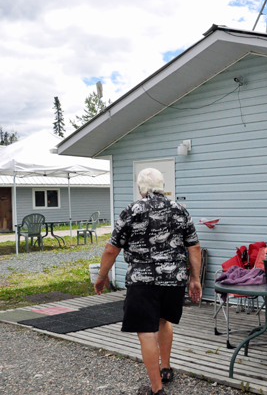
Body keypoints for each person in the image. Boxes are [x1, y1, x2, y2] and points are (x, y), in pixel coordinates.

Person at [94, 168, 202, 395]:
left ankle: (156, 389)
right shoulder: (180, 210)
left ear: (140, 188)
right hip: (174, 280)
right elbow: (194, 247)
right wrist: (195, 279)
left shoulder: (132, 210)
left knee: (146, 330)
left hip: (143, 281)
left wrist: (102, 276)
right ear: (162, 186)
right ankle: (166, 368)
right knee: (164, 321)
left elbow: (111, 249)